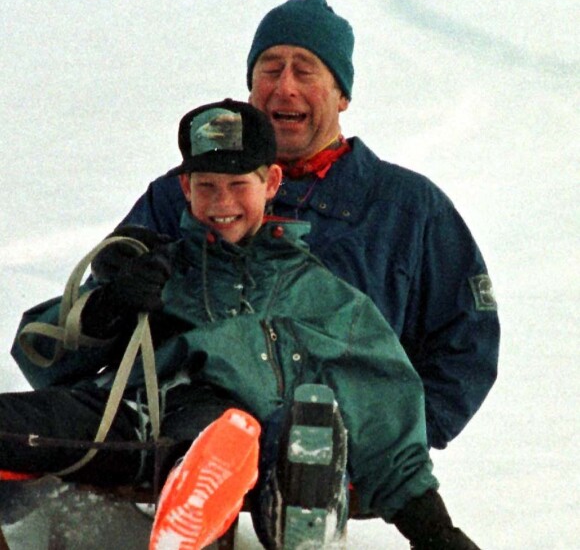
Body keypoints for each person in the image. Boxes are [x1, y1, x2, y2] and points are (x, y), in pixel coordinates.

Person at [5, 100, 480, 549]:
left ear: (271, 182)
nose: (221, 202)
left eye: (238, 185)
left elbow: (382, 412)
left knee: (224, 431)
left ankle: (198, 510)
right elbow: (39, 354)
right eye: (206, 186)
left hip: (231, 437)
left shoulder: (322, 296)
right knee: (17, 425)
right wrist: (111, 302)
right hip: (130, 416)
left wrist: (433, 530)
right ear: (186, 188)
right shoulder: (162, 267)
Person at [108, 0, 500, 451]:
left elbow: (466, 341)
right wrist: (120, 285)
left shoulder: (409, 208)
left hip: (326, 454)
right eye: (270, 69)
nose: (285, 87)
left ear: (343, 94)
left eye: (306, 70)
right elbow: (95, 307)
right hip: (181, 434)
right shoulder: (181, 192)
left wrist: (396, 443)